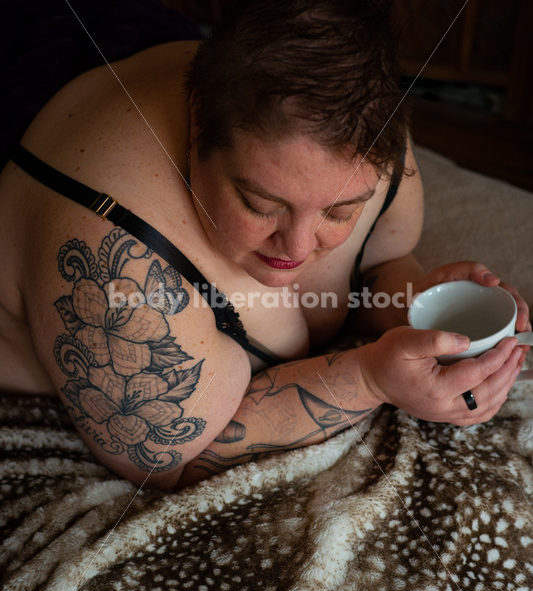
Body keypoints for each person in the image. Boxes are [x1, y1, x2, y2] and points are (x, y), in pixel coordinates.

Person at [0, 0, 529, 490]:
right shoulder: (111, 251)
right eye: (260, 203)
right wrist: (368, 379)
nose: (297, 246)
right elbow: (170, 462)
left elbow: (382, 260)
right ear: (196, 128)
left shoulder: (366, 127)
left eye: (340, 211)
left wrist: (417, 301)